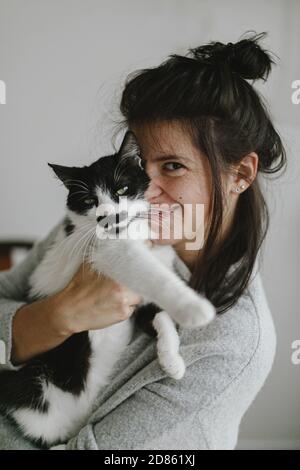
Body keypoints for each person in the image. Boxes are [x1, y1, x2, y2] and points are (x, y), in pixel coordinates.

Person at [0, 33, 286, 450]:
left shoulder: (233, 341)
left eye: (172, 166)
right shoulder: (91, 228)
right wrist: (56, 316)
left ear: (240, 175)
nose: (143, 193)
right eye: (139, 164)